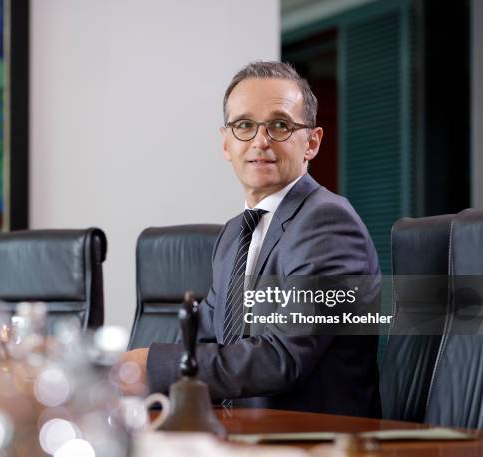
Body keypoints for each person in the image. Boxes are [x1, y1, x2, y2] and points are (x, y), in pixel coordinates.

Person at [122, 61, 381, 417]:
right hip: (239, 434)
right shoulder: (234, 234)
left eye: (280, 125)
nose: (261, 140)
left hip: (313, 440)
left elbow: (280, 358)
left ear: (312, 142)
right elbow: (208, 343)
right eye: (244, 125)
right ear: (226, 144)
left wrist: (148, 364)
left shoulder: (328, 223)